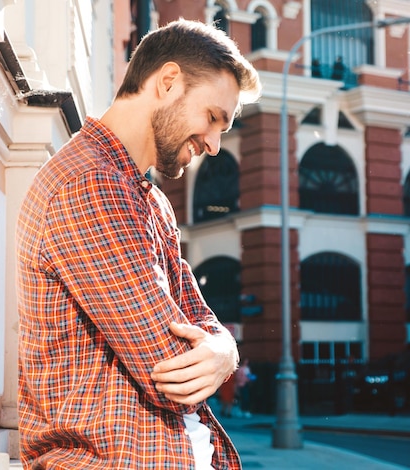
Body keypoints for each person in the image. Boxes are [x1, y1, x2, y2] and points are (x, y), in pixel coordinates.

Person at [15, 19, 261, 469]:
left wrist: (225, 349)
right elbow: (169, 364)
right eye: (212, 119)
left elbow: (200, 316)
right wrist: (219, 352)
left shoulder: (150, 202)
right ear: (168, 82)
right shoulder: (90, 184)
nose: (213, 145)